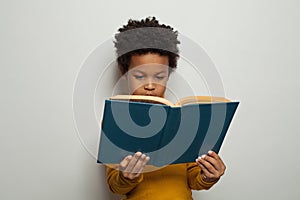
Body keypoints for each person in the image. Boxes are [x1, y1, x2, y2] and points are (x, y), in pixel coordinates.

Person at [106, 16, 226, 200]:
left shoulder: (185, 120)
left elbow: (193, 179)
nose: (150, 85)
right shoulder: (115, 121)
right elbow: (115, 185)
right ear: (124, 73)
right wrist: (125, 176)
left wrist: (208, 175)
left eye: (159, 76)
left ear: (168, 75)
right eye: (139, 76)